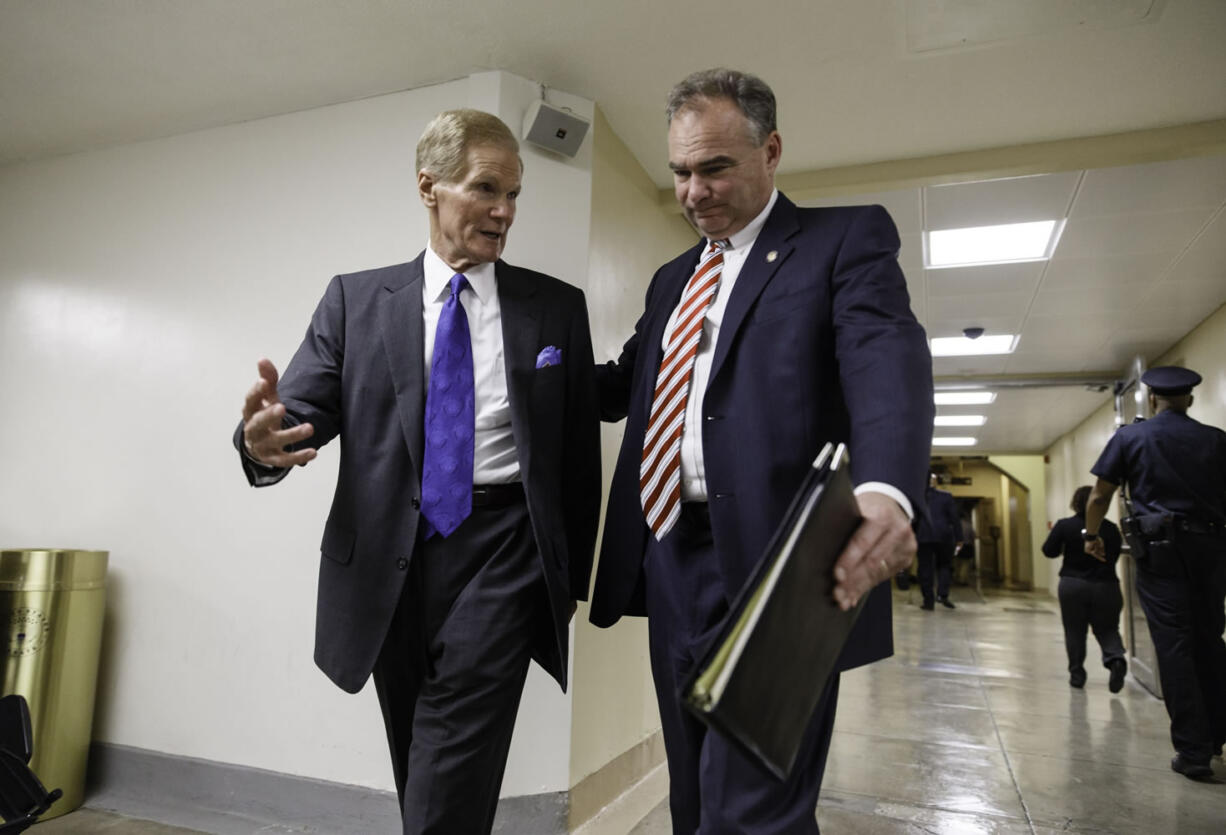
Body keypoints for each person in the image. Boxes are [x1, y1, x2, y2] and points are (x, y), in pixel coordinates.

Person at [233, 109, 600, 832]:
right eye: (486, 188)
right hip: (384, 566)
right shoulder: (357, 301)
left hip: (504, 553)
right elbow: (300, 410)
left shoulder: (556, 309)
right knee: (423, 756)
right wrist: (260, 443)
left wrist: (567, 574)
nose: (505, 211)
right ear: (429, 187)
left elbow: (576, 451)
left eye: (515, 194)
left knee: (450, 750)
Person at [588, 68, 933, 833]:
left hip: (786, 564)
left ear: (770, 151)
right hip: (671, 554)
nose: (694, 191)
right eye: (680, 171)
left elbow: (884, 356)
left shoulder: (841, 242)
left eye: (716, 167)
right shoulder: (670, 279)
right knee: (693, 793)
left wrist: (887, 489)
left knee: (753, 810)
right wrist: (518, 364)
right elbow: (626, 385)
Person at [1084, 365, 1226, 781]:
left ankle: (1193, 750)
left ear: (1151, 399)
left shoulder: (1130, 437)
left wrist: (1091, 535)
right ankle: (1216, 735)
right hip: (1212, 550)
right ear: (1191, 400)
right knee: (1209, 638)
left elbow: (1099, 494)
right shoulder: (1216, 440)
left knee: (1174, 643)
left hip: (1161, 552)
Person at [1042, 485, 1127, 691]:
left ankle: (1077, 674)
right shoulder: (1111, 528)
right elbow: (1113, 556)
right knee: (1108, 628)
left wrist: (1066, 547)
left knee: (1074, 630)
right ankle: (1115, 659)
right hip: (1106, 585)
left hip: (1073, 584)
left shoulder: (1064, 526)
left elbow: (1048, 551)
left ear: (1076, 503)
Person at [916, 472, 962, 610]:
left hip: (923, 536)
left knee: (925, 568)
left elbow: (913, 517)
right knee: (944, 565)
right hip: (944, 536)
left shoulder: (918, 496)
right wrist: (959, 538)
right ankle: (942, 595)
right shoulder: (946, 496)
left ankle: (928, 601)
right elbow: (954, 518)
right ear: (935, 482)